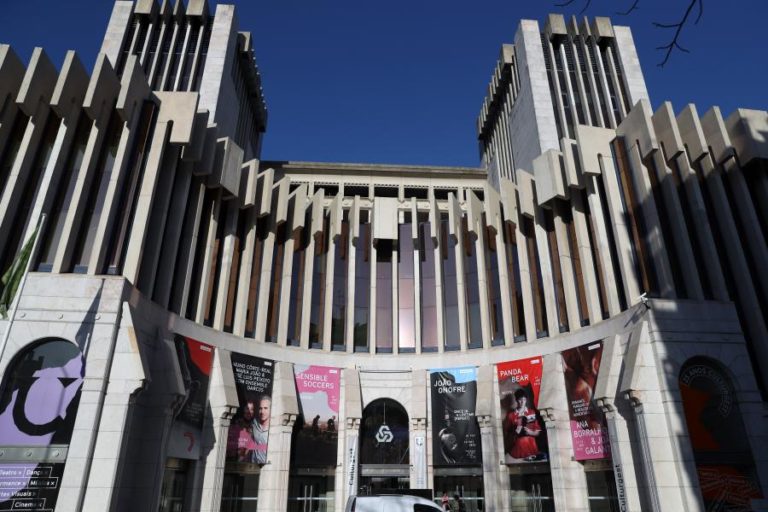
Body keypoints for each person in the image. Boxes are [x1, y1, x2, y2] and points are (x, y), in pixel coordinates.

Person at [505, 389, 541, 460]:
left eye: (524, 400)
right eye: (520, 400)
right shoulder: (511, 415)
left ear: (526, 400)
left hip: (532, 447)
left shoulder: (532, 412)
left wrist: (530, 432)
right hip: (518, 448)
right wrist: (515, 432)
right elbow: (507, 433)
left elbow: (538, 432)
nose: (522, 402)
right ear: (516, 400)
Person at [251, 395, 271, 464]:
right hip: (253, 466)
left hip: (268, 467)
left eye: (265, 408)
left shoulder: (275, 429)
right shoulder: (254, 423)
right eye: (260, 408)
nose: (262, 411)